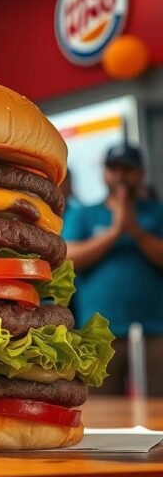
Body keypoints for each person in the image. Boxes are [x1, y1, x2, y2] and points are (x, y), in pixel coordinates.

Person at [64, 143, 163, 395]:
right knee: (102, 409)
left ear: (141, 173)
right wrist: (114, 232)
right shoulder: (86, 215)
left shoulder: (157, 213)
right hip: (99, 333)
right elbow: (68, 257)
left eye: (127, 169)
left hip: (155, 330)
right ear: (105, 173)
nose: (120, 175)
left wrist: (136, 231)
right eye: (113, 168)